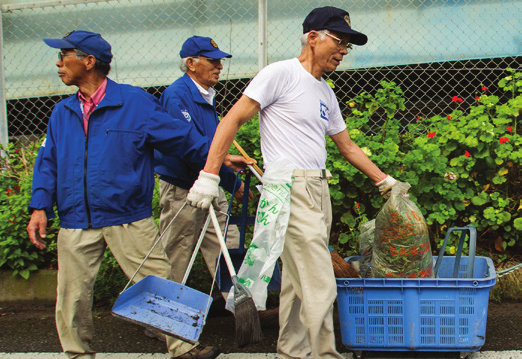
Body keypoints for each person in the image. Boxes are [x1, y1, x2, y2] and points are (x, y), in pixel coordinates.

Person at [187, 6, 397, 359]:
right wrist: (209, 175)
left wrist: (385, 181)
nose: (344, 49)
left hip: (317, 188)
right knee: (319, 280)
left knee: (298, 285)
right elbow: (231, 121)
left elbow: (346, 147)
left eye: (348, 44)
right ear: (312, 38)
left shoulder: (325, 92)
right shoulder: (280, 74)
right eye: (339, 40)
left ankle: (292, 351)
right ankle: (326, 354)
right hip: (288, 188)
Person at [26, 30, 249, 359]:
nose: (58, 63)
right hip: (76, 220)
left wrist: (217, 157)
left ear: (88, 62)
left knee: (159, 282)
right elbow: (47, 163)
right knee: (71, 296)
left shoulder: (134, 102)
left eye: (64, 56)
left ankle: (183, 348)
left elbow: (180, 137)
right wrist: (40, 206)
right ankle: (77, 353)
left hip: (127, 216)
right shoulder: (62, 112)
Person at [154, 36, 251, 299]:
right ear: (190, 63)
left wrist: (229, 182)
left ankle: (244, 307)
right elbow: (191, 148)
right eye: (212, 60)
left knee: (228, 246)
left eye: (220, 60)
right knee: (177, 253)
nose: (219, 66)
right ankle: (161, 318)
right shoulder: (177, 96)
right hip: (183, 187)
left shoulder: (205, 96)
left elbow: (211, 148)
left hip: (209, 183)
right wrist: (232, 182)